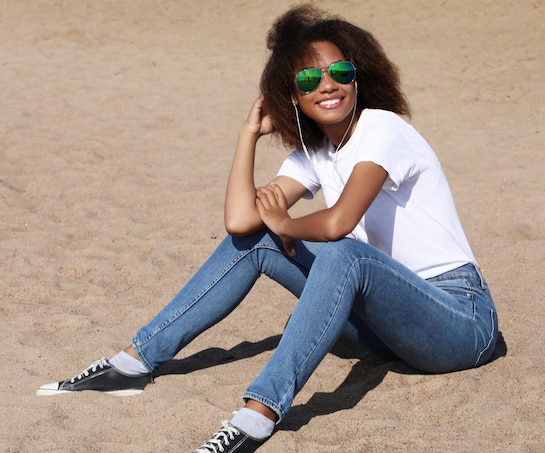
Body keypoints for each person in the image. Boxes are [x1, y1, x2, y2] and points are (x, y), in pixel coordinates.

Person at [37, 5, 498, 452]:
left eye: (340, 72)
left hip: (459, 322)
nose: (327, 86)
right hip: (389, 330)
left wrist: (288, 223)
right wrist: (248, 137)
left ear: (360, 76)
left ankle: (258, 414)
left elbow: (339, 222)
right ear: (291, 97)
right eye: (308, 79)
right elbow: (241, 223)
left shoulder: (382, 129)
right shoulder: (316, 154)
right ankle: (133, 363)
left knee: (340, 249)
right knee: (257, 239)